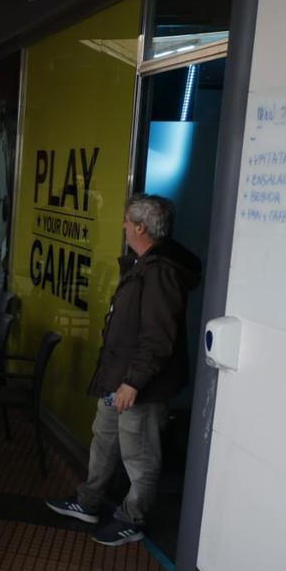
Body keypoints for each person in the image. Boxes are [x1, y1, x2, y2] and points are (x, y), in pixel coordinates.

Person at [47, 195, 201, 547]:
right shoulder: (143, 264)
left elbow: (158, 338)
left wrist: (133, 382)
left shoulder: (161, 271)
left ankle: (133, 517)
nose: (123, 226)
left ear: (141, 228)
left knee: (140, 455)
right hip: (117, 377)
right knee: (104, 441)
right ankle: (88, 501)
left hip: (140, 384)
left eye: (127, 221)